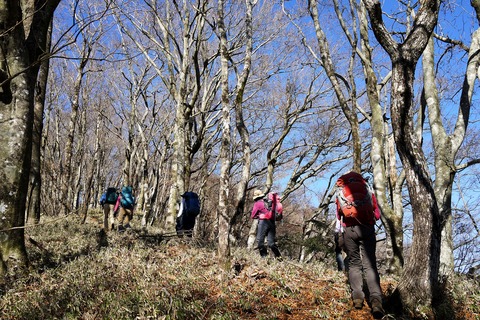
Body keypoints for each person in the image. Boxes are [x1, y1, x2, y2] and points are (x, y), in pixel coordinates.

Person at [335, 172, 385, 319]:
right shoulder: (367, 189)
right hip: (367, 228)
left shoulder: (341, 191)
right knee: (370, 265)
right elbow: (376, 214)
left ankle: (357, 297)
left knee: (354, 263)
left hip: (349, 230)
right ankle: (376, 300)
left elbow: (339, 215)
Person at [251, 189, 281, 259]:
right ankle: (279, 257)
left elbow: (253, 215)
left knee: (260, 241)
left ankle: (264, 257)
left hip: (263, 222)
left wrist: (259, 215)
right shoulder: (269, 203)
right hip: (272, 222)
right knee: (271, 243)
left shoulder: (257, 203)